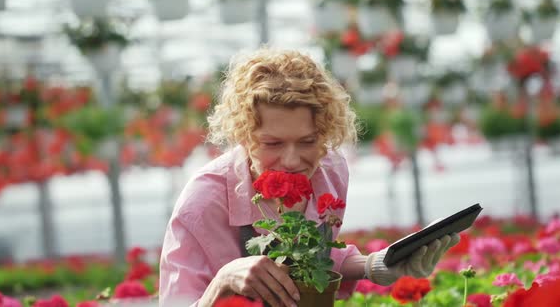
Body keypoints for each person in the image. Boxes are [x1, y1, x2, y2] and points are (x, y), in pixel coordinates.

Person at [159, 48, 460, 307]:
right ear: (243, 135)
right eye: (272, 144)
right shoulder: (201, 203)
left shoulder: (330, 170)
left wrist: (376, 266)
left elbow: (315, 260)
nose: (292, 161)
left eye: (307, 141)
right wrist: (222, 281)